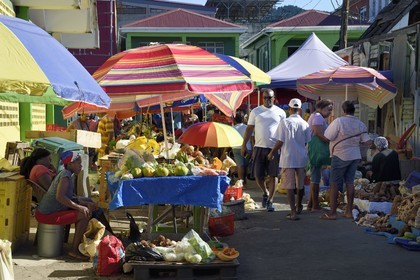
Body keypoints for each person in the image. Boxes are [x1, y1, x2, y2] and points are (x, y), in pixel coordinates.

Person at [35, 151, 113, 261]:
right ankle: (74, 250)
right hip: (47, 214)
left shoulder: (67, 173)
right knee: (84, 213)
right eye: (79, 163)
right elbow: (60, 197)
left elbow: (70, 197)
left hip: (52, 211)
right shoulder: (65, 175)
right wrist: (80, 207)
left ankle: (105, 236)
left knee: (88, 204)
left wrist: (85, 203)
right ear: (70, 164)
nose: (81, 166)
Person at [321, 101, 371, 220]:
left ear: (343, 111)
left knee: (334, 183)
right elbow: (366, 141)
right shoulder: (360, 124)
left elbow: (328, 136)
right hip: (354, 155)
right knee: (349, 182)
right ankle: (348, 211)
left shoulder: (339, 121)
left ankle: (332, 213)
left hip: (340, 155)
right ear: (354, 111)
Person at [241, 88, 286, 211]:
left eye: (270, 97)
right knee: (257, 175)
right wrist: (244, 144)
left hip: (274, 147)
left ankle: (271, 200)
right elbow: (249, 129)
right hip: (259, 148)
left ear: (274, 98)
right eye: (265, 97)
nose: (268, 100)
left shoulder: (281, 112)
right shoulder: (256, 111)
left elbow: (283, 132)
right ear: (262, 98)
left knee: (273, 175)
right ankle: (265, 192)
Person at [268, 98, 311, 220]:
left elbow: (280, 141)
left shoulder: (284, 122)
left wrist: (272, 152)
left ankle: (293, 212)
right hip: (301, 158)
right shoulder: (305, 123)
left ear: (289, 109)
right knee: (300, 184)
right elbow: (308, 142)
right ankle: (299, 207)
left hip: (288, 158)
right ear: (300, 110)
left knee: (289, 185)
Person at [307, 99, 333, 211]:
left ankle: (311, 204)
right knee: (315, 178)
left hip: (316, 150)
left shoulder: (317, 116)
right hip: (316, 150)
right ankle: (315, 205)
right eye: (328, 109)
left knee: (315, 177)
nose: (330, 112)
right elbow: (317, 133)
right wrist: (329, 141)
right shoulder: (317, 116)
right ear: (321, 108)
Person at [232, 112, 252, 188]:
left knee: (240, 166)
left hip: (236, 148)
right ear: (243, 119)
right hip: (248, 148)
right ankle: (244, 181)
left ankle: (241, 182)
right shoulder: (247, 127)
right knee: (245, 166)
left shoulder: (233, 128)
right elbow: (252, 139)